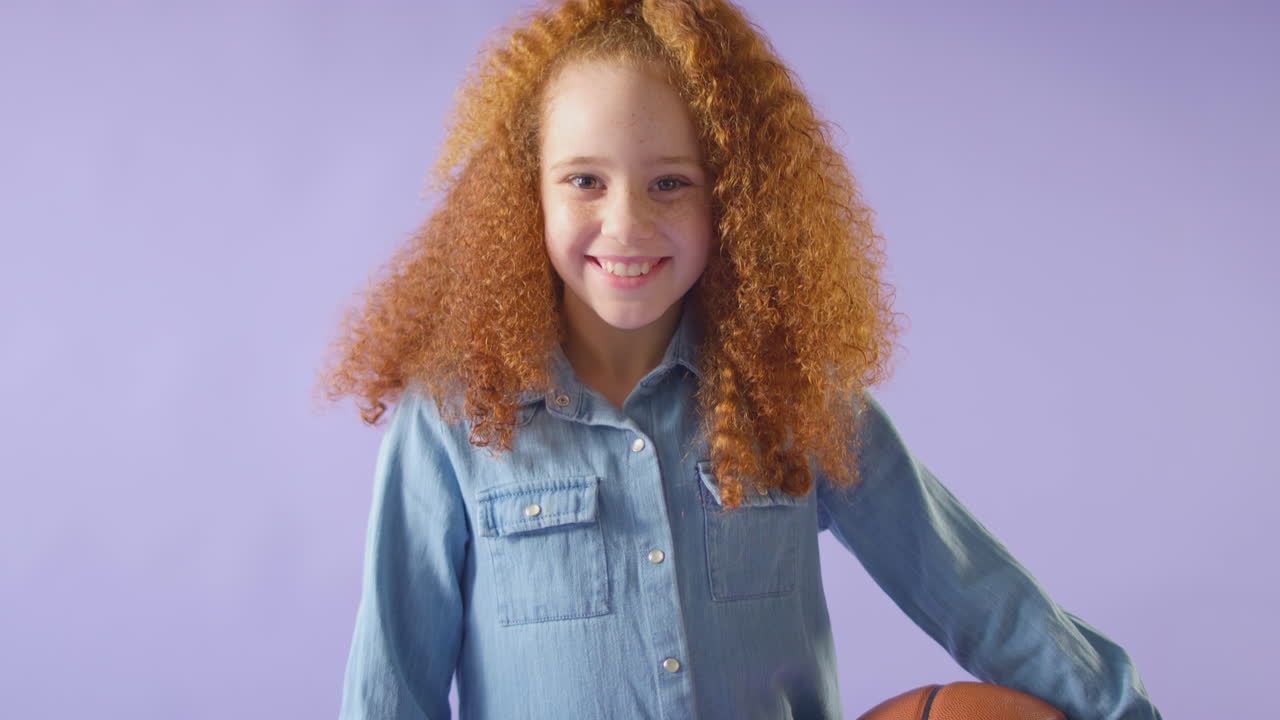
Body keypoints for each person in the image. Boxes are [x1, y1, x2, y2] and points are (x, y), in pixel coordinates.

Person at [317, 1, 1162, 718]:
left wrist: (1122, 710)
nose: (627, 226)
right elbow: (392, 684)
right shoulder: (454, 421)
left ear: (736, 198)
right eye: (583, 181)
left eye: (671, 182)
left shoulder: (796, 398)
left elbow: (975, 591)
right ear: (522, 194)